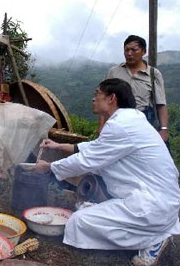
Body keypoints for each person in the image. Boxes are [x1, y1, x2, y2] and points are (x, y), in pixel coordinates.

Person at [31, 78, 180, 266]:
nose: (93, 99)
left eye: (97, 94)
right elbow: (96, 148)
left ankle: (153, 240)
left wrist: (49, 168)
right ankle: (151, 231)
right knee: (84, 213)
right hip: (162, 201)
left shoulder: (120, 125)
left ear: (112, 98)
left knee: (78, 223)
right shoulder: (130, 120)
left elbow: (87, 159)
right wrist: (59, 145)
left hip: (152, 205)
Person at [99, 35, 169, 143]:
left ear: (143, 51)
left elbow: (161, 104)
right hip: (116, 123)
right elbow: (103, 100)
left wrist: (164, 129)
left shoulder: (153, 74)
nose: (129, 53)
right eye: (126, 50)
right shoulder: (113, 72)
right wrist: (101, 126)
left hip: (143, 123)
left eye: (134, 50)